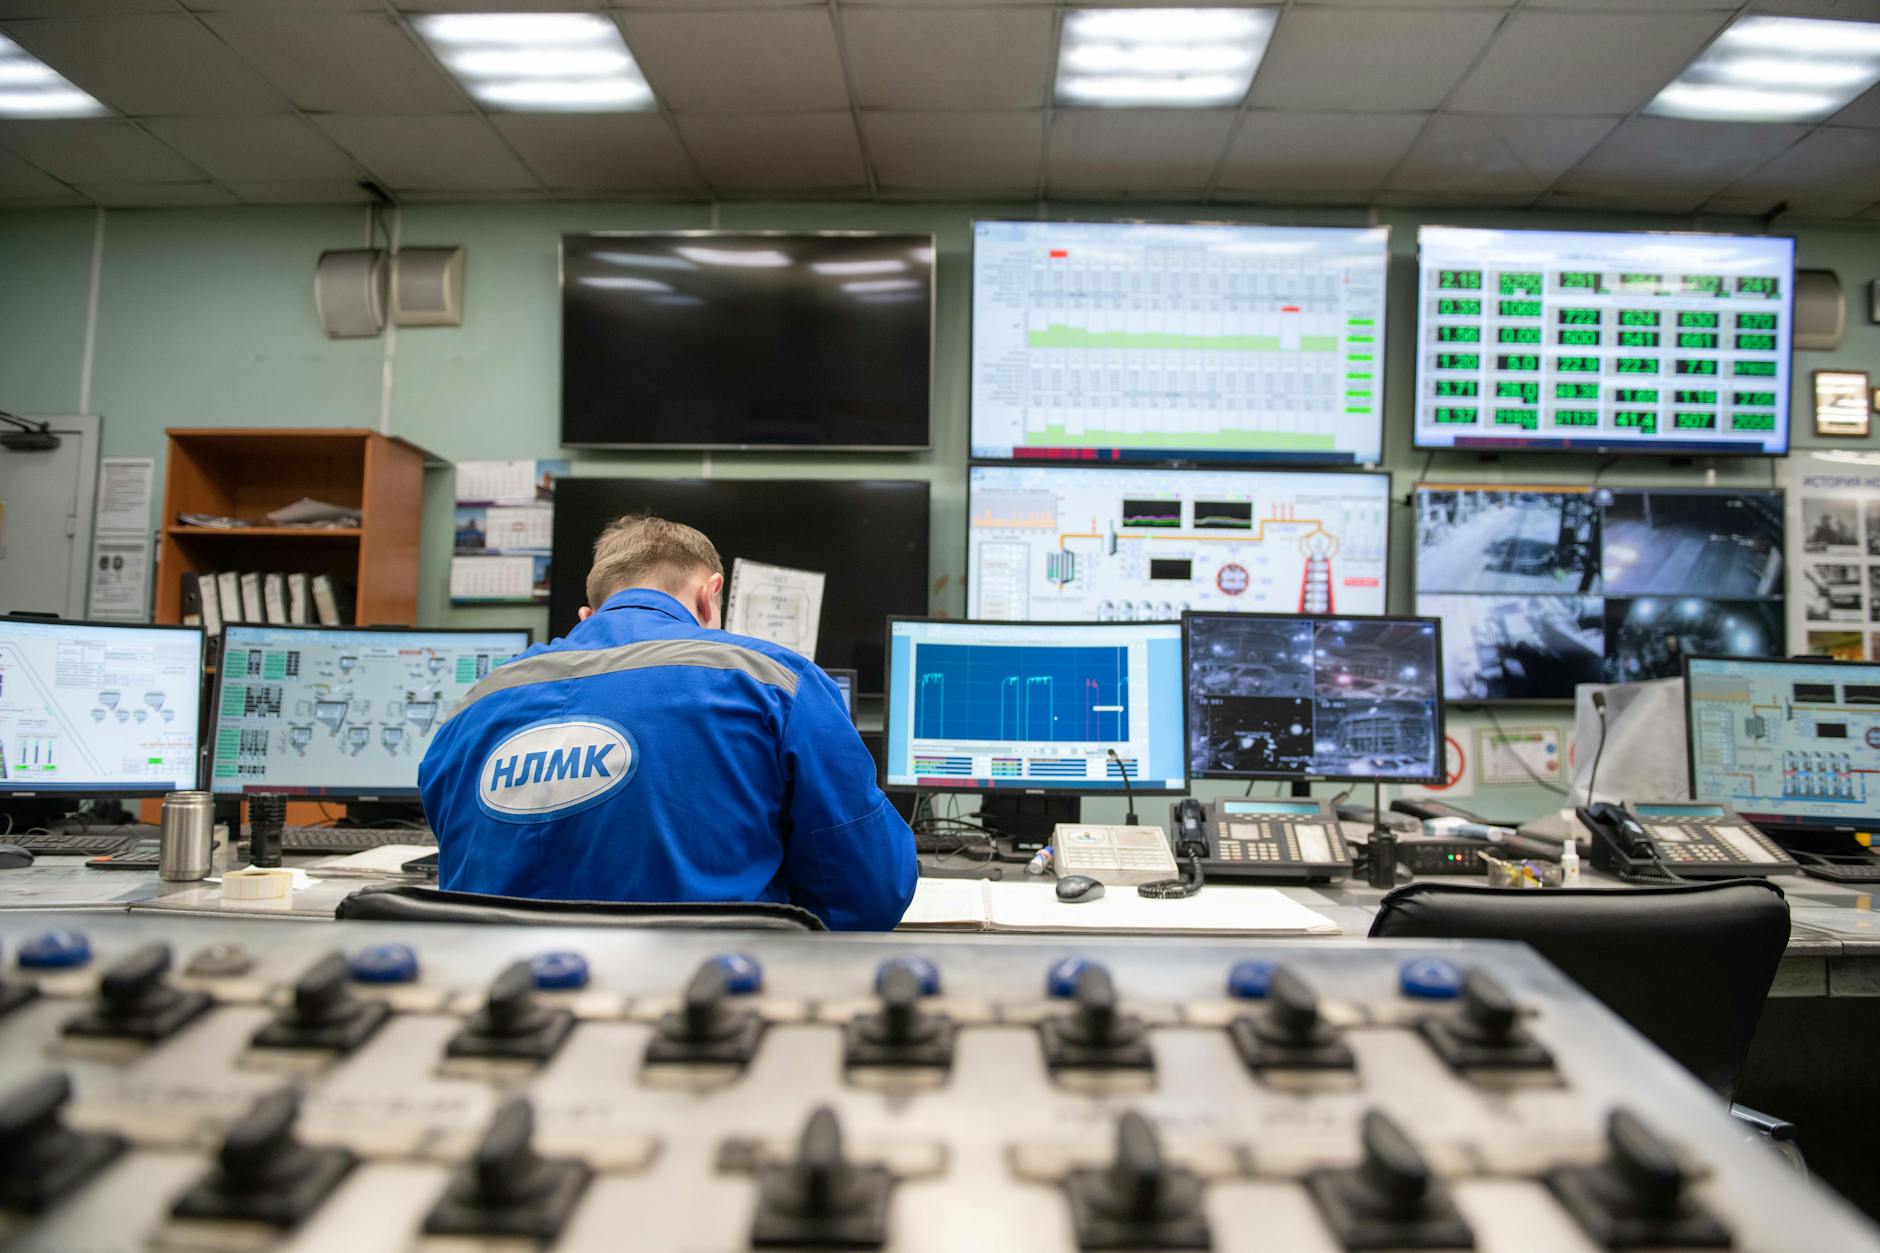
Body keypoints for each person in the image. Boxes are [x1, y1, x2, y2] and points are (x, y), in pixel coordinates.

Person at [418, 514, 917, 931]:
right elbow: (868, 893)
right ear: (710, 595)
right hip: (702, 1012)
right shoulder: (776, 681)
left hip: (506, 1015)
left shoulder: (471, 708)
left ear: (588, 614)